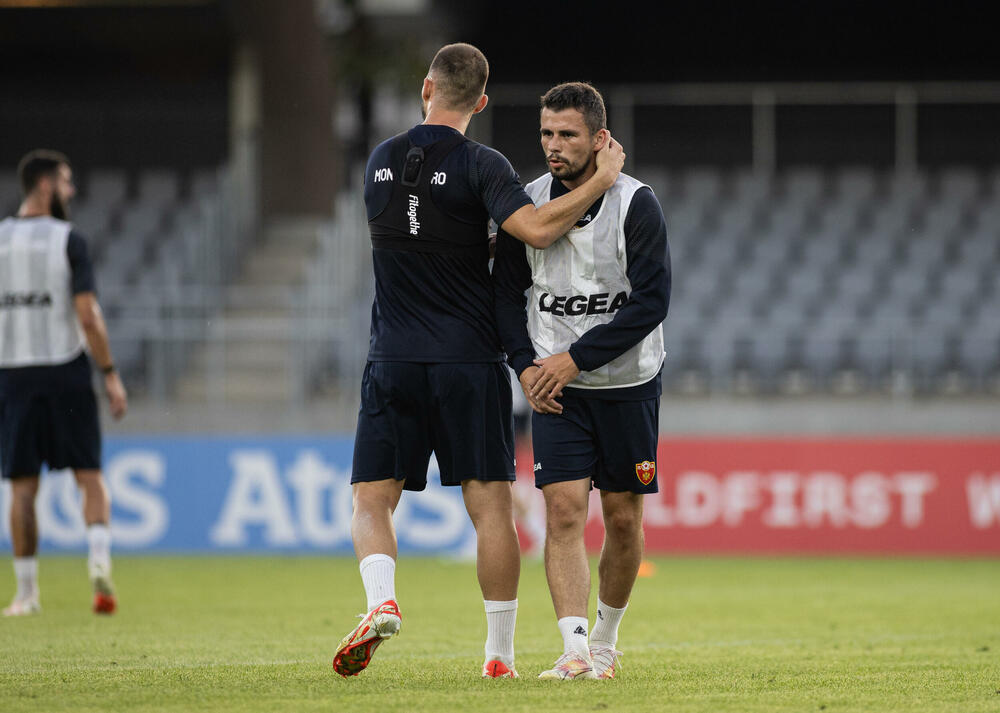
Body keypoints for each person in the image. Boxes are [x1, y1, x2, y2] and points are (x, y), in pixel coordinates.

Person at [333, 44, 625, 680]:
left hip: (394, 356)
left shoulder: (380, 159)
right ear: (482, 102)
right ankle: (499, 656)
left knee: (371, 498)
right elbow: (539, 229)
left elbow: (414, 230)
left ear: (426, 89)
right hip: (468, 359)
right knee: (490, 505)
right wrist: (602, 180)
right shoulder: (482, 164)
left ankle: (381, 598)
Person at [492, 82, 670, 679]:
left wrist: (573, 359)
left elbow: (650, 304)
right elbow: (504, 295)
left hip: (628, 386)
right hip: (556, 393)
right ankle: (573, 649)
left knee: (622, 518)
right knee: (564, 514)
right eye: (546, 133)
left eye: (567, 134)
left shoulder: (636, 203)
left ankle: (605, 640)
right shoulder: (529, 204)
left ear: (599, 139)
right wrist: (526, 366)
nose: (553, 145)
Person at [0, 149, 128, 616]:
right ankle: (98, 564)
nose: (71, 191)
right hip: (66, 368)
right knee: (89, 476)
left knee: (21, 488)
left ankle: (27, 593)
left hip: (13, 373)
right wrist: (110, 373)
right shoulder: (68, 239)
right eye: (67, 182)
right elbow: (88, 316)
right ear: (47, 185)